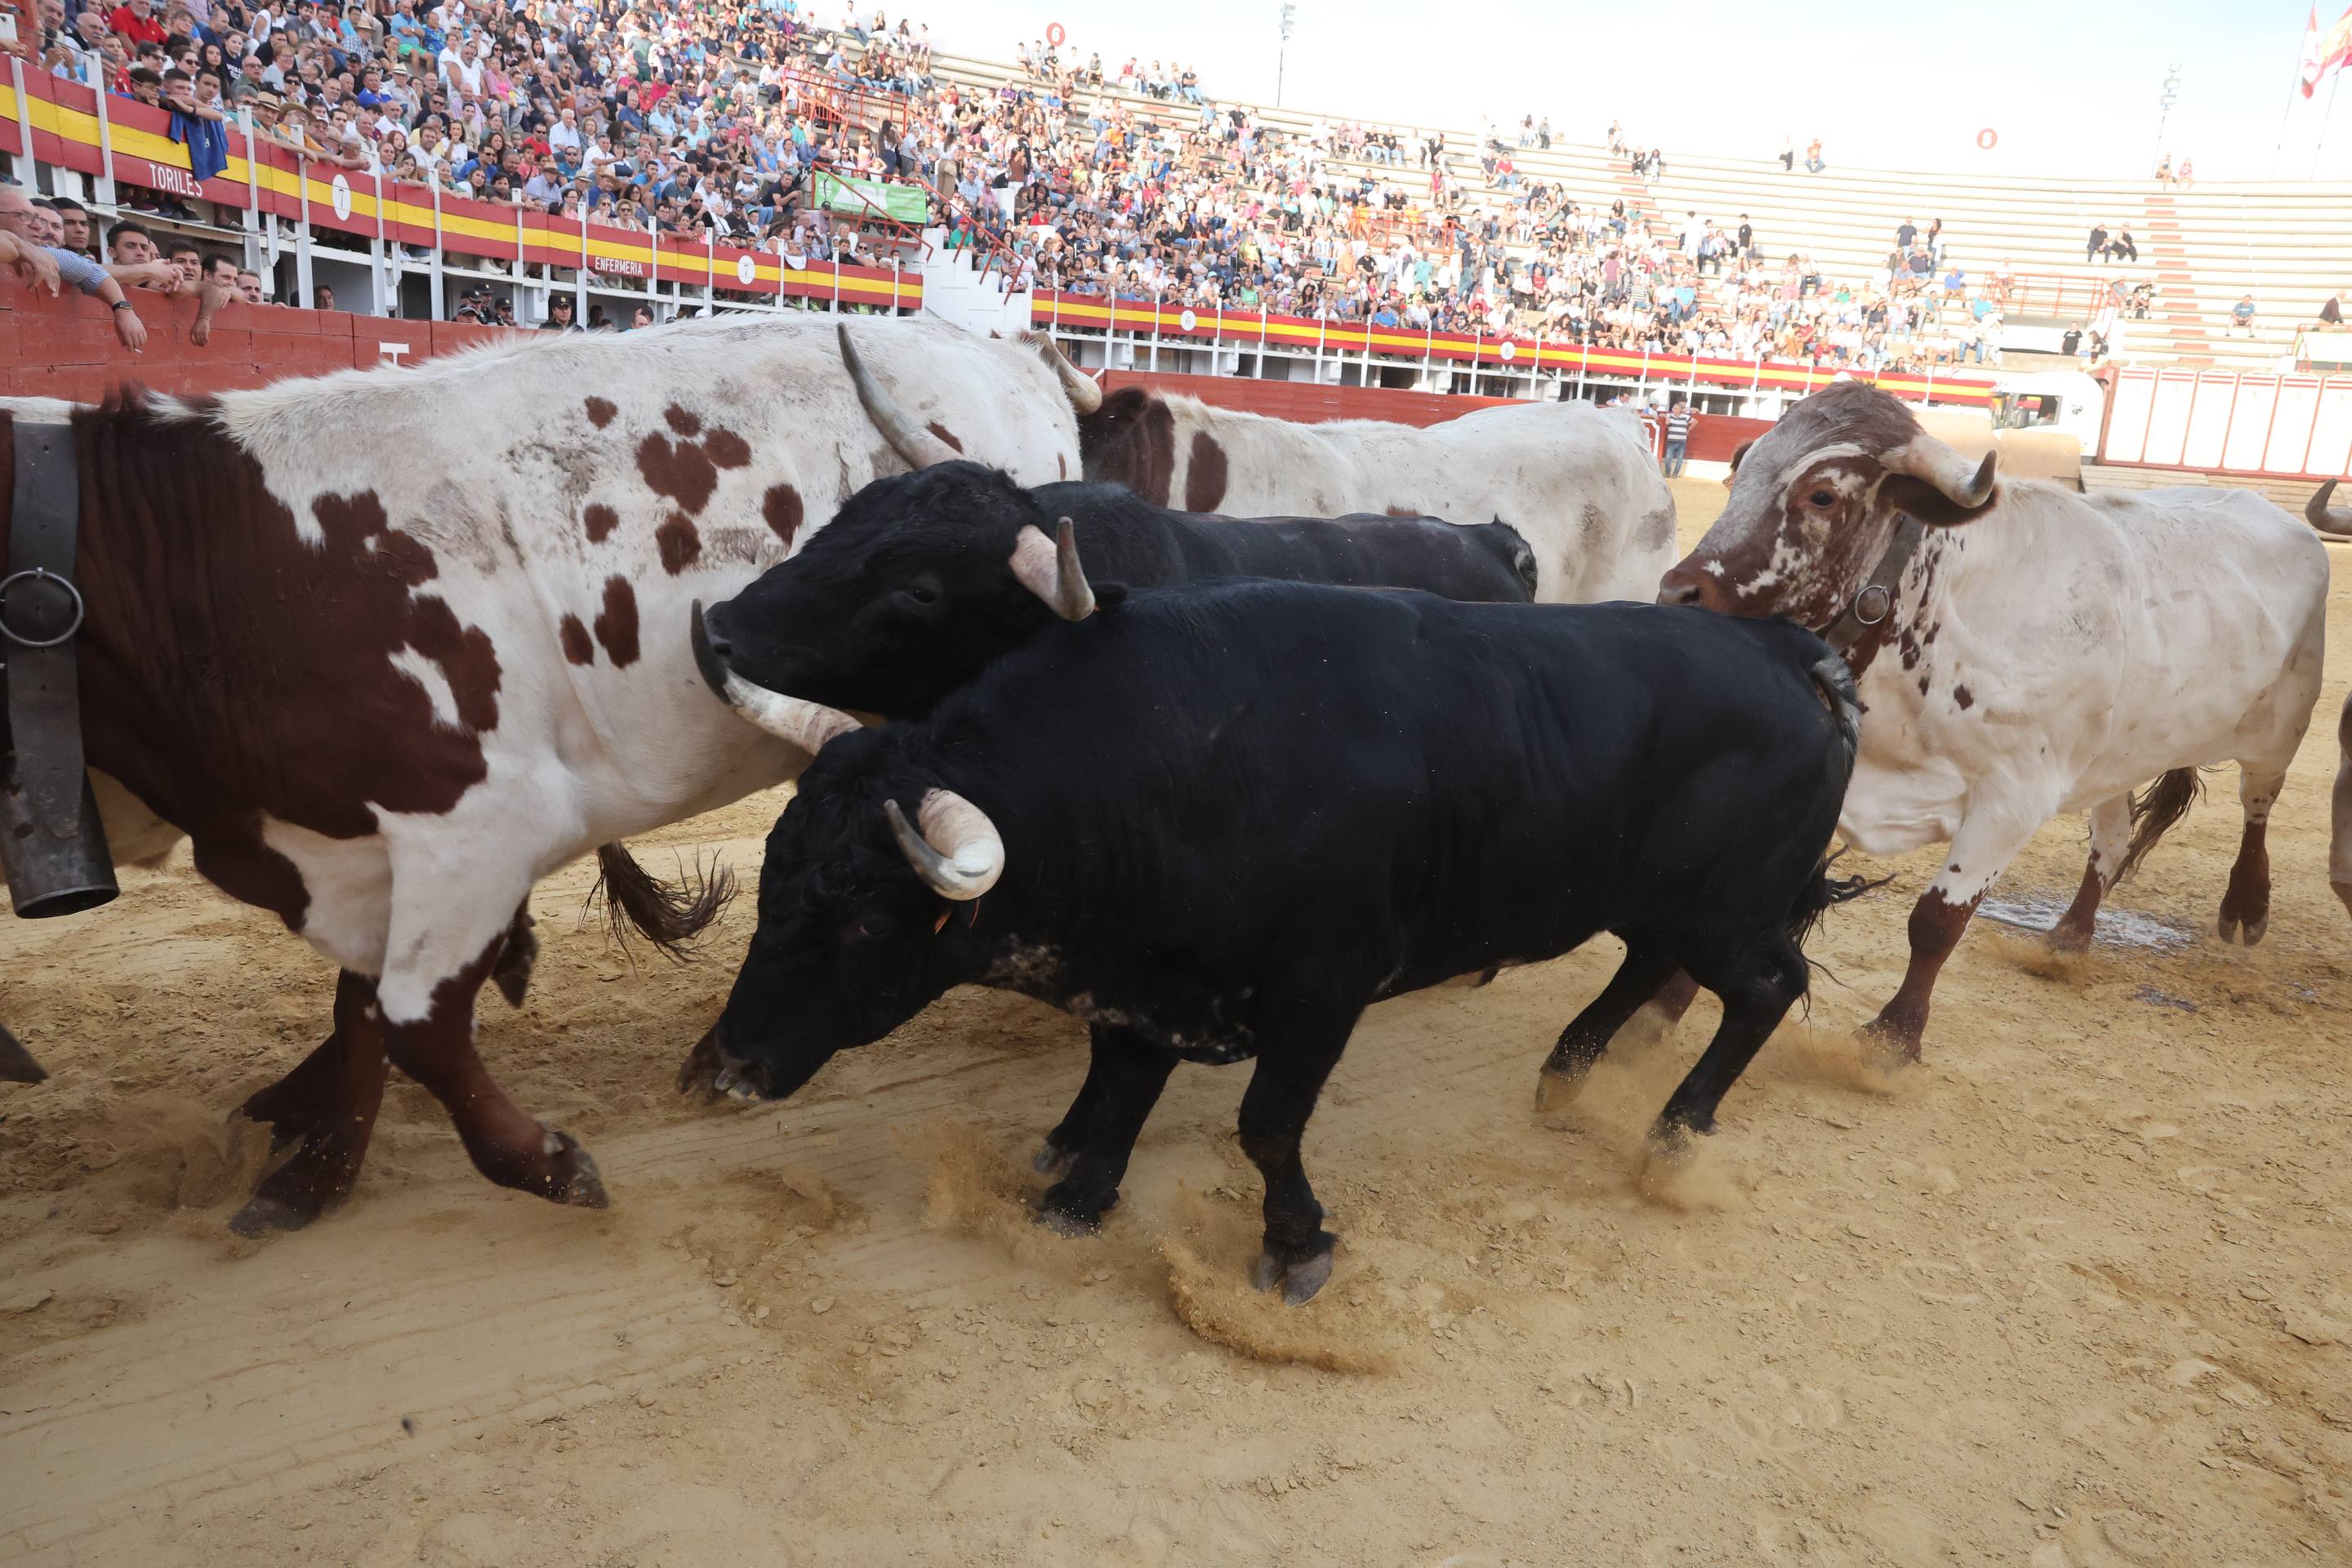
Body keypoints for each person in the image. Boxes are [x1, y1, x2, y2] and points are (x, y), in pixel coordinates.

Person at [0, 185, 147, 351]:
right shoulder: (31, 251)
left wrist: (122, 307)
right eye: (22, 216)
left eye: (36, 218)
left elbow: (90, 270)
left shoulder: (45, 254)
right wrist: (16, 243)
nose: (39, 227)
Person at [1663, 393, 1691, 479]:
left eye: (1676, 408)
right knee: (1668, 458)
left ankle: (1675, 474)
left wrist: (1689, 429)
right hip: (1671, 440)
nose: (1674, 410)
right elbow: (1661, 415)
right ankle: (1667, 473)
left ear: (1679, 410)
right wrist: (1666, 417)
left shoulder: (1685, 416)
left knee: (1680, 458)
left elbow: (1695, 421)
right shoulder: (1669, 415)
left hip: (1682, 440)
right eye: (1673, 408)